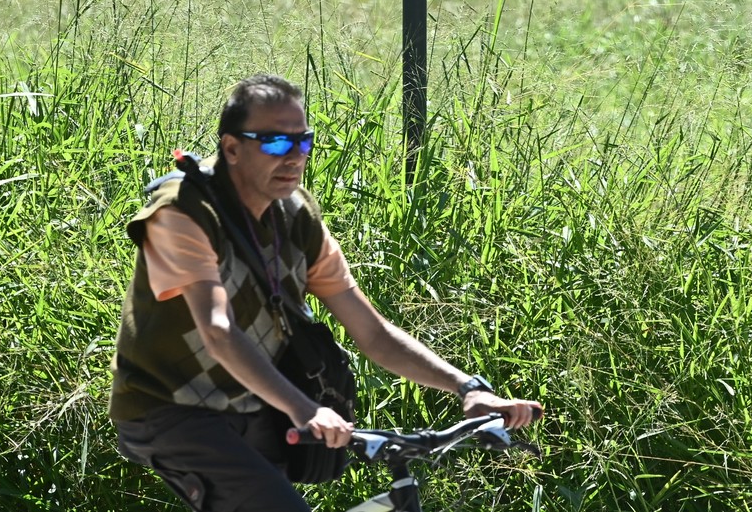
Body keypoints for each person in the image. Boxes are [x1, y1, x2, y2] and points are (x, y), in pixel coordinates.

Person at [109, 73, 542, 511]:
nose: (294, 157)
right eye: (276, 143)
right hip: (168, 407)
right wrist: (304, 409)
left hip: (251, 405)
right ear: (232, 148)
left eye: (303, 142)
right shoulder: (182, 212)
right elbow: (218, 330)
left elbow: (371, 332)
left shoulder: (296, 216)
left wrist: (466, 387)